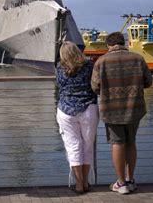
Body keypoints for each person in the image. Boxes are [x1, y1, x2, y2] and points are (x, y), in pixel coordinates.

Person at [91, 32, 152, 194]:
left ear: (108, 45)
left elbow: (95, 87)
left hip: (111, 110)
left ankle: (121, 183)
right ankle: (130, 179)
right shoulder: (138, 58)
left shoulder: (101, 61)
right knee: (131, 142)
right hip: (134, 108)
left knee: (117, 143)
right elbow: (148, 81)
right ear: (123, 42)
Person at [55, 41, 99, 194]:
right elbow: (95, 84)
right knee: (87, 146)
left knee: (73, 146)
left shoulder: (60, 68)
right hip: (88, 108)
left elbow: (59, 85)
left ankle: (79, 184)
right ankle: (86, 182)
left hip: (66, 110)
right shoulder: (89, 66)